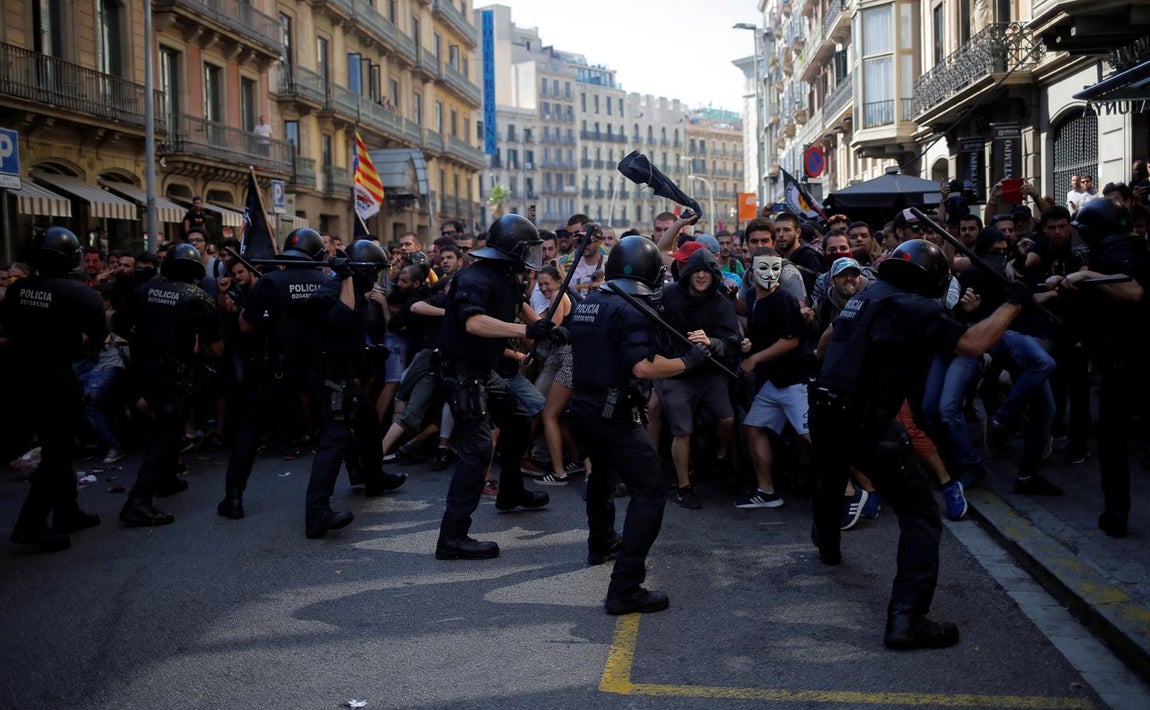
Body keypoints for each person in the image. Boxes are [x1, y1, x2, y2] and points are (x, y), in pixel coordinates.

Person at [810, 239, 1029, 650]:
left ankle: (827, 545)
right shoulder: (914, 306)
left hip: (824, 408)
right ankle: (907, 620)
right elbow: (974, 344)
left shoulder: (868, 296)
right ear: (933, 279)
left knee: (831, 476)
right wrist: (1014, 302)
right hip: (867, 421)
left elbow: (825, 345)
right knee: (921, 514)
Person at [569, 235, 712, 614]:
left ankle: (600, 543)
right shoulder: (631, 308)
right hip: (613, 412)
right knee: (649, 492)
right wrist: (690, 361)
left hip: (583, 408)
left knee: (601, 474)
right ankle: (625, 588)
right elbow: (643, 366)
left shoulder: (592, 301)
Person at [434, 214, 556, 560]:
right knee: (477, 451)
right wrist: (526, 333)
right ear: (512, 249)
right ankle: (452, 538)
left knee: (518, 421)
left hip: (484, 371)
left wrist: (548, 327)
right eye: (528, 249)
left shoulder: (504, 277)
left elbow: (518, 309)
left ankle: (511, 493)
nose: (533, 256)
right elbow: (474, 323)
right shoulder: (473, 278)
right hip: (462, 373)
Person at [216, 229, 330, 520]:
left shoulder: (271, 281)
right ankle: (364, 478)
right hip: (317, 365)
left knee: (251, 429)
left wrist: (247, 307)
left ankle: (234, 498)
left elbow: (246, 326)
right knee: (340, 426)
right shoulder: (324, 280)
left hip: (278, 366)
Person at [4, 228, 106, 551]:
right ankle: (30, 524)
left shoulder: (17, 290)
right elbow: (95, 345)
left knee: (56, 449)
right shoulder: (83, 295)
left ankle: (67, 511)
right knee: (58, 451)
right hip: (56, 381)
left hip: (21, 378)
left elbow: (8, 330)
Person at [1052, 200, 1149, 537]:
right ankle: (1116, 512)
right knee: (1111, 444)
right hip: (1111, 363)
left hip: (1134, 361)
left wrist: (1088, 276)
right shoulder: (1108, 251)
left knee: (1117, 443)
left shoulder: (1127, 250)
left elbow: (1133, 291)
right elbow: (1091, 304)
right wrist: (1065, 286)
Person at [304, 240, 408, 539]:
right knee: (333, 443)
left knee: (369, 423)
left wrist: (368, 351)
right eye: (374, 271)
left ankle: (373, 479)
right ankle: (317, 515)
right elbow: (340, 318)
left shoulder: (356, 294)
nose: (377, 278)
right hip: (330, 380)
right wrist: (346, 277)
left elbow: (347, 336)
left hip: (345, 375)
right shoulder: (330, 292)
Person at [114, 242, 223, 527]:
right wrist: (192, 351)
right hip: (173, 373)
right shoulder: (198, 298)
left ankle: (165, 479)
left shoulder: (144, 290)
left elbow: (118, 323)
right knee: (167, 432)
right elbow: (218, 348)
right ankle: (138, 503)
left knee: (162, 425)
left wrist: (142, 341)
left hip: (142, 368)